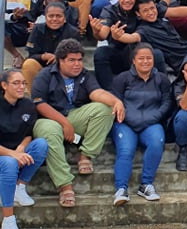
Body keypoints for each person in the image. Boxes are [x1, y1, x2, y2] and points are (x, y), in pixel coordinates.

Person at [31, 39, 124, 208]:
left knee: (105, 109)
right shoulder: (45, 75)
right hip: (47, 119)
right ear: (60, 61)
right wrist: (64, 123)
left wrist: (116, 101)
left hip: (74, 117)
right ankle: (65, 185)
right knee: (50, 131)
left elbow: (96, 93)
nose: (77, 64)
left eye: (80, 60)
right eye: (72, 60)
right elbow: (39, 104)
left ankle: (86, 155)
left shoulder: (85, 75)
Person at [111, 43, 172, 205]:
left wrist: (152, 118)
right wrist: (131, 119)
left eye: (149, 58)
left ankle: (146, 184)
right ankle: (121, 189)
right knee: (126, 149)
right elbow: (116, 101)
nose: (145, 61)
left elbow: (167, 103)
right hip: (125, 123)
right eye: (141, 58)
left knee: (157, 141)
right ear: (133, 60)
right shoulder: (122, 78)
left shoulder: (161, 79)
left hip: (151, 123)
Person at [0, 69, 48, 229]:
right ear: (4, 85)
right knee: (9, 163)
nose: (21, 87)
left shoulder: (27, 105)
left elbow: (28, 134)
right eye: (16, 83)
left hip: (16, 151)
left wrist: (21, 149)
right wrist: (13, 154)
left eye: (23, 83)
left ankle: (19, 187)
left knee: (40, 145)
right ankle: (8, 219)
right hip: (3, 154)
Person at [89, 0, 147, 91]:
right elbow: (102, 35)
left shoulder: (141, 9)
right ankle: (109, 91)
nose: (127, 0)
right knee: (100, 53)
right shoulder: (109, 10)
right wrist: (96, 30)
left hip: (138, 51)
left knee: (153, 53)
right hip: (117, 51)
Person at [22, 0, 80, 93]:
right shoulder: (37, 29)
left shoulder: (73, 32)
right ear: (45, 17)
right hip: (41, 66)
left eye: (58, 16)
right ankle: (35, 97)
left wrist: (57, 58)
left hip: (62, 68)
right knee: (28, 64)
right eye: (51, 16)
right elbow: (31, 55)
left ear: (64, 17)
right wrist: (44, 56)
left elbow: (75, 58)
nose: (54, 19)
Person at [4, 0, 45, 68]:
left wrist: (37, 24)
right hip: (13, 29)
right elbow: (1, 15)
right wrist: (13, 17)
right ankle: (17, 56)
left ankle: (33, 58)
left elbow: (44, 13)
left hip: (33, 29)